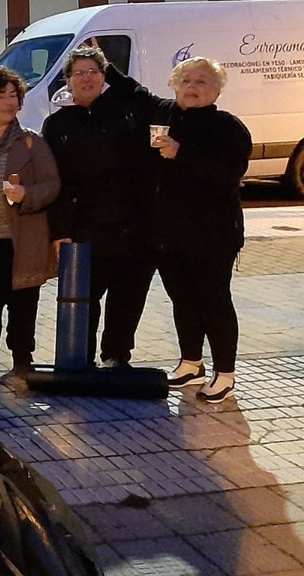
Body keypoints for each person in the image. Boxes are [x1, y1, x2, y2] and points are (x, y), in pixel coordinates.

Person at [106, 57, 251, 403]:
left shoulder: (228, 127)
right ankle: (191, 363)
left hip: (213, 234)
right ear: (175, 85)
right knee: (183, 300)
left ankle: (225, 373)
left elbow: (229, 172)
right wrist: (105, 64)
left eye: (201, 81)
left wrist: (181, 153)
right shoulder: (165, 113)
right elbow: (135, 92)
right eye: (185, 80)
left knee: (213, 301)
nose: (192, 87)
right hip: (169, 234)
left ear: (216, 90)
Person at [41, 45, 157, 368]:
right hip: (85, 227)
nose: (87, 78)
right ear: (68, 80)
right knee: (85, 299)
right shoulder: (57, 125)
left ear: (104, 77)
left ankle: (117, 356)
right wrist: (60, 231)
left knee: (128, 297)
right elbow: (56, 184)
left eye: (94, 71)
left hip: (134, 226)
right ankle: (81, 360)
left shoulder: (128, 112)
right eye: (79, 73)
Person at [0, 66, 60, 380]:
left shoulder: (32, 142)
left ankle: (21, 359)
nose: (9, 102)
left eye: (13, 95)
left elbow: (52, 185)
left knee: (24, 304)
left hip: (25, 239)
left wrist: (25, 193)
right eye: (0, 95)